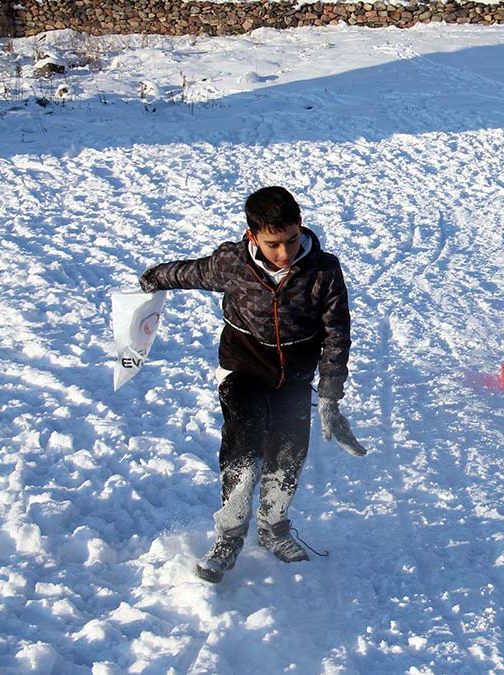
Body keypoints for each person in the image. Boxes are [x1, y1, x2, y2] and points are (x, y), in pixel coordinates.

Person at [138, 186, 367, 583]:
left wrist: (330, 397)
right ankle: (228, 536)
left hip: (294, 376)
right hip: (242, 367)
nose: (284, 253)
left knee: (289, 455)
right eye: (272, 244)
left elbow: (336, 334)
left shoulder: (323, 271)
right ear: (252, 236)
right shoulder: (233, 263)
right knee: (244, 447)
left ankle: (273, 527)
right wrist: (155, 278)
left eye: (291, 240)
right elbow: (192, 272)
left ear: (300, 225)